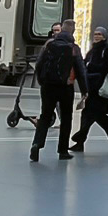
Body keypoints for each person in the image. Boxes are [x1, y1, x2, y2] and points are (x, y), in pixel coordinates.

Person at [29, 24, 84, 162]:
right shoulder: (73, 48)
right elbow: (80, 70)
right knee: (66, 118)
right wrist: (85, 90)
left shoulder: (49, 46)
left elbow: (39, 64)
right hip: (65, 87)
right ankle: (63, 150)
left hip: (48, 86)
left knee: (45, 116)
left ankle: (37, 144)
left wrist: (42, 82)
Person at [71, 27, 108, 153]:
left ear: (104, 36)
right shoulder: (92, 50)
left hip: (100, 88)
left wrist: (90, 66)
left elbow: (104, 68)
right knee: (95, 114)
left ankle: (80, 139)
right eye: (95, 34)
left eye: (99, 34)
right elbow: (85, 64)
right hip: (90, 86)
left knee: (91, 114)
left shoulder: (107, 50)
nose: (96, 36)